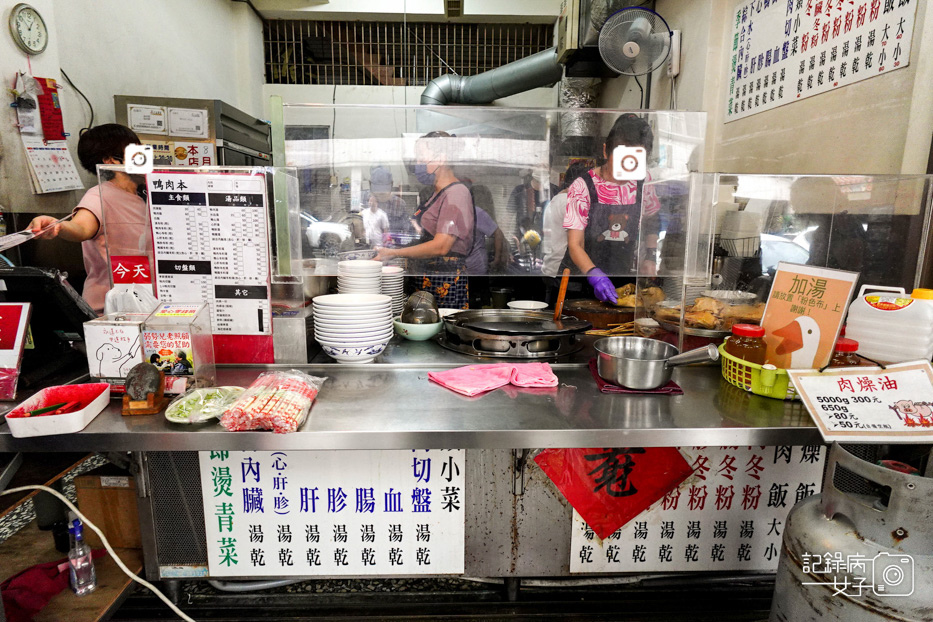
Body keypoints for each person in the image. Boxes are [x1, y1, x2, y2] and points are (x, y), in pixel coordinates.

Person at [28, 124, 149, 315]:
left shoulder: (147, 194)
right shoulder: (99, 195)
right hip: (110, 311)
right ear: (111, 160)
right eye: (135, 149)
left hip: (147, 305)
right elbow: (81, 228)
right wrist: (57, 225)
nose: (143, 154)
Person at [562, 113, 661, 304]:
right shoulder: (583, 186)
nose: (627, 170)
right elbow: (575, 244)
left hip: (623, 276)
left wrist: (650, 255)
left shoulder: (644, 181)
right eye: (622, 160)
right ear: (606, 151)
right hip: (583, 281)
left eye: (635, 162)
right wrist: (593, 275)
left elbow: (652, 218)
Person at [375, 131, 475, 309]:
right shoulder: (437, 193)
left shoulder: (456, 194)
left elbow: (441, 246)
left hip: (443, 282)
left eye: (421, 158)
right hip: (428, 278)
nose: (417, 164)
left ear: (441, 159)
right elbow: (425, 235)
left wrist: (394, 253)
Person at [541, 162, 590, 276]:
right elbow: (578, 244)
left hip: (551, 268)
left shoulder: (558, 198)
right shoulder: (570, 202)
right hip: (562, 271)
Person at [367, 166, 412, 239]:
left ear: (392, 184)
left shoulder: (399, 204)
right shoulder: (364, 201)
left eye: (384, 189)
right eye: (378, 189)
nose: (381, 193)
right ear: (370, 184)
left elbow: (406, 229)